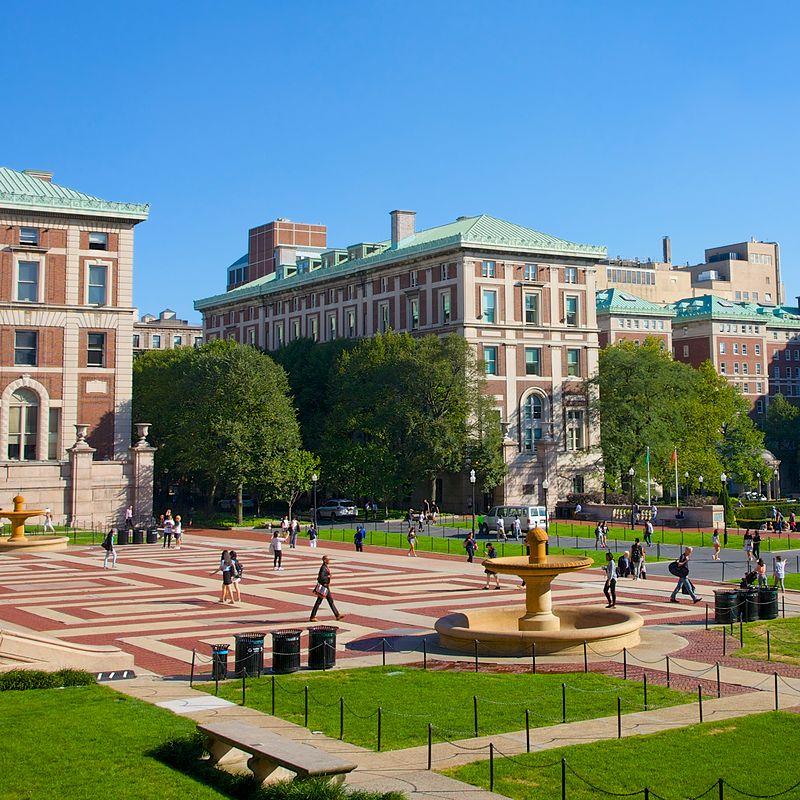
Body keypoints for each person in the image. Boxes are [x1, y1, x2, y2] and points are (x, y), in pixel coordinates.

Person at [310, 555, 345, 621]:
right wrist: (328, 576)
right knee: (318, 602)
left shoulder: (325, 567)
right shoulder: (323, 568)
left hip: (326, 587)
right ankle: (312, 617)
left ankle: (337, 615)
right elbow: (321, 577)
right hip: (323, 587)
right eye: (328, 559)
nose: (329, 560)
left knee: (330, 601)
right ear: (325, 560)